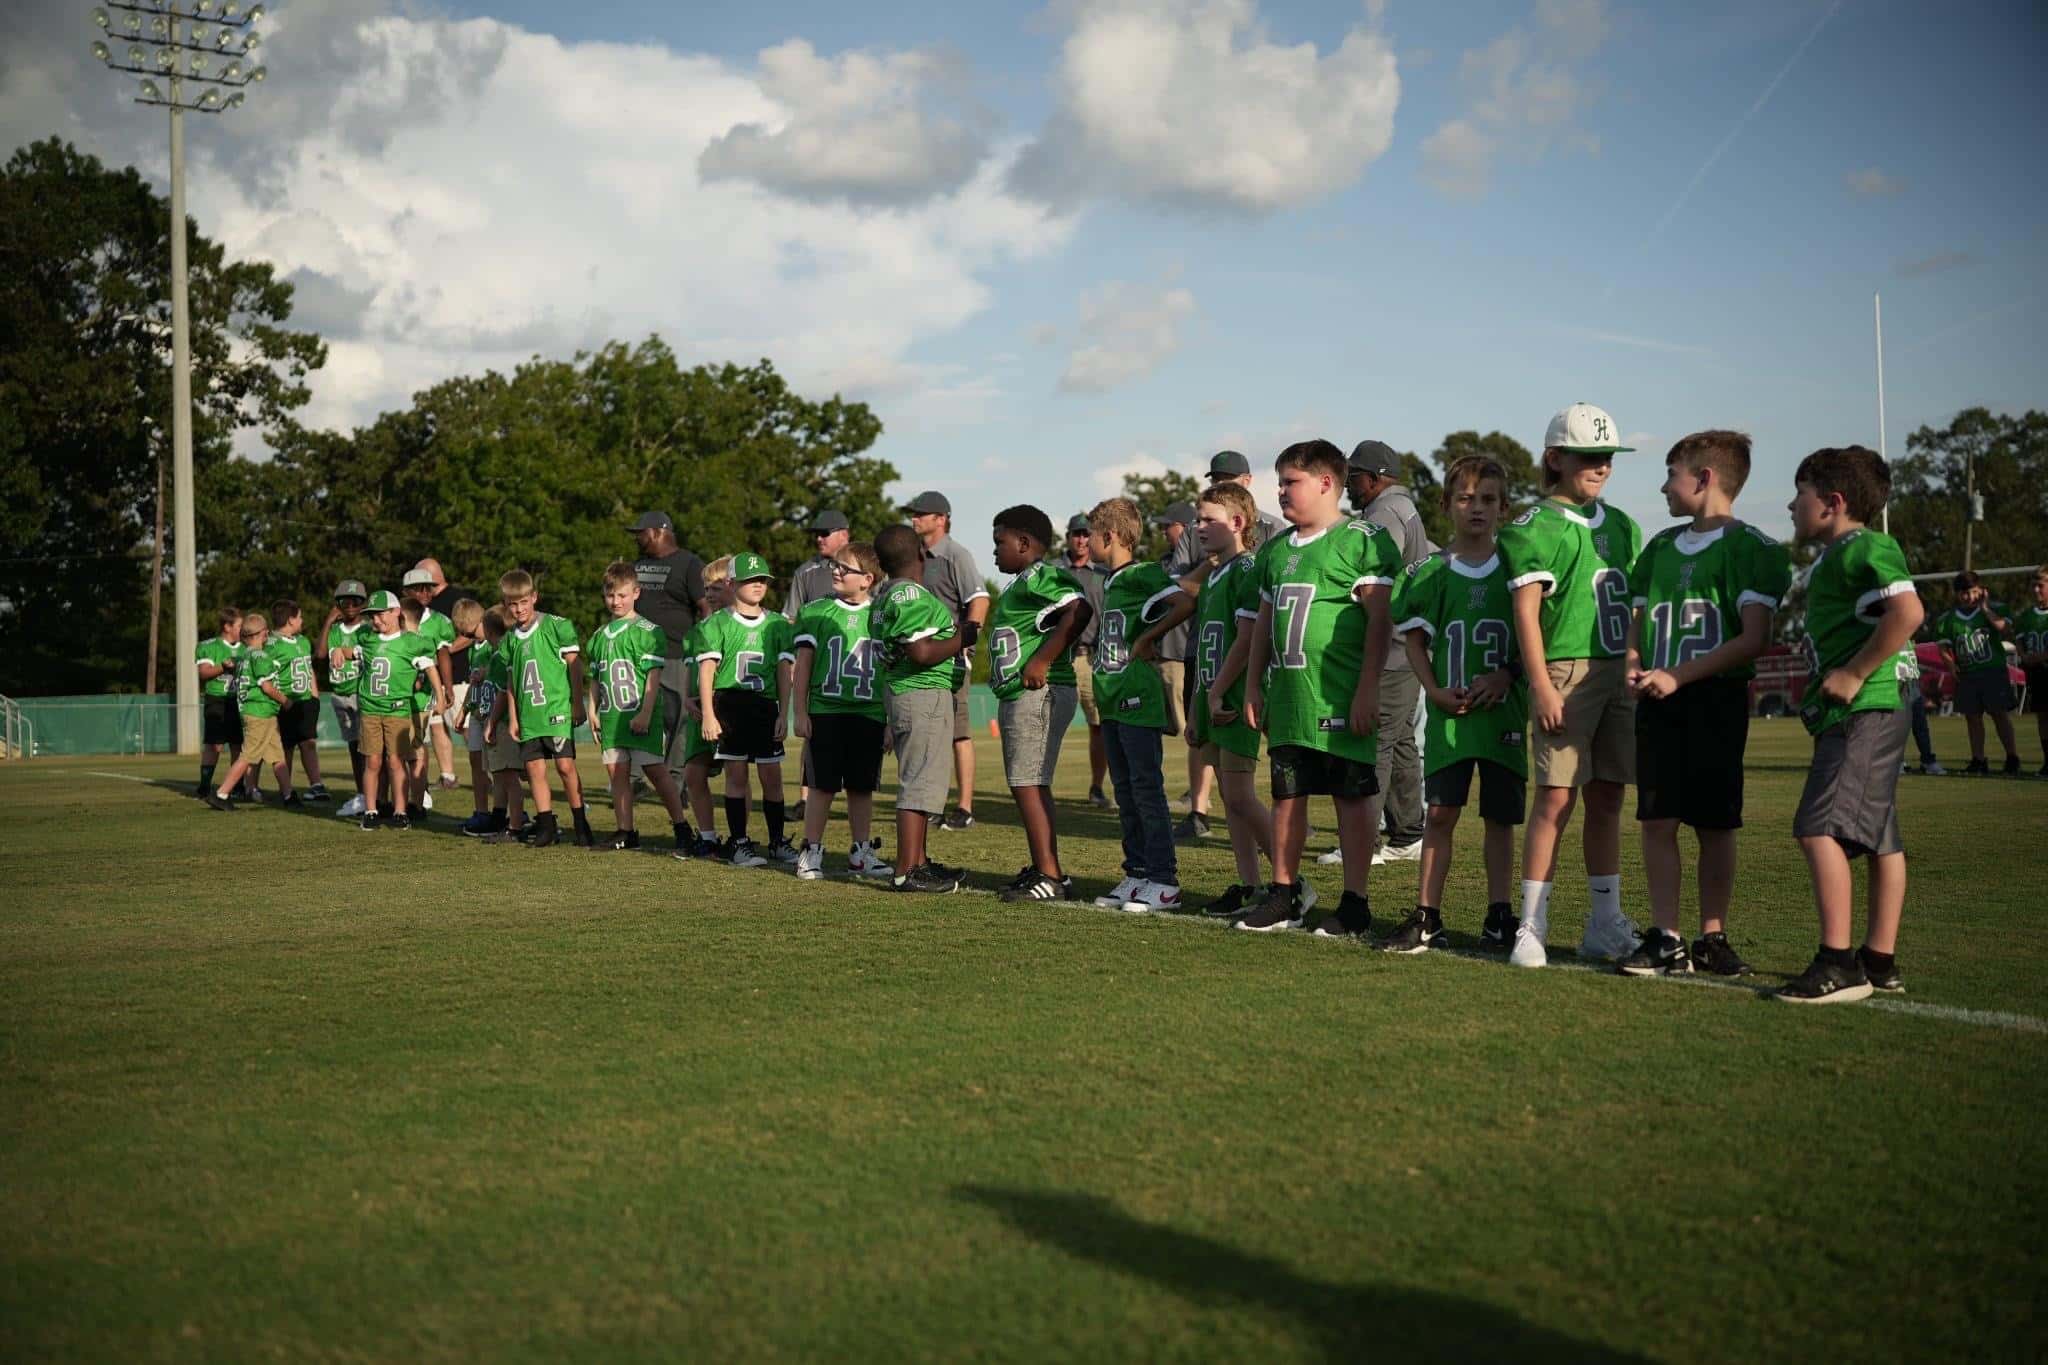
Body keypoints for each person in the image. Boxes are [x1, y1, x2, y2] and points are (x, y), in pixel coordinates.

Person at [1618, 431, 1791, 978]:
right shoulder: (1660, 547)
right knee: (1657, 818)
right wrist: (1633, 663)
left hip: (1715, 698)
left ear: (1705, 477)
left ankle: (1712, 937)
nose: (1664, 487)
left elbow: (1754, 637)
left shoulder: (1754, 548)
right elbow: (1638, 619)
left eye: (1672, 474)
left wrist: (1679, 675)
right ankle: (1665, 937)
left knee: (1715, 823)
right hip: (1659, 699)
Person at [1496, 402, 1645, 969]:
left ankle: (1605, 921)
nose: (1601, 465)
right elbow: (1526, 613)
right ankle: (1531, 923)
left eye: (1607, 456)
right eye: (1588, 456)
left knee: (1609, 796)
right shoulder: (1534, 526)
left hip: (1617, 669)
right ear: (1555, 458)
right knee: (1555, 797)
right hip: (1564, 670)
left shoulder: (1624, 525)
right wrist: (1540, 684)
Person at [1238, 440, 1403, 935]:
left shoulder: (1362, 539)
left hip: (1339, 694)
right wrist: (1253, 686)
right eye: (1280, 482)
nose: (1281, 491)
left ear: (1326, 482)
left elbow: (1380, 621)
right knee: (1287, 795)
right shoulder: (1275, 550)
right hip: (1290, 695)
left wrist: (1368, 688)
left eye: (1291, 481)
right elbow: (1262, 625)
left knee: (1350, 798)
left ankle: (1355, 903)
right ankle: (1284, 893)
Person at [1779, 446, 1923, 1004]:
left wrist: (1856, 672)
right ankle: (1879, 960)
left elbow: (1908, 612)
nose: (1792, 505)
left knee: (1816, 828)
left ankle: (1838, 964)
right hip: (1867, 711)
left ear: (1833, 502)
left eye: (1800, 493)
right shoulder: (1836, 555)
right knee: (1881, 835)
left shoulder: (1865, 546)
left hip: (1868, 709)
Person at [1379, 456, 1525, 954]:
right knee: (1440, 814)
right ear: (1446, 505)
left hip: (1503, 710)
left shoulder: (1517, 567)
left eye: (1487, 499)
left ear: (1504, 507)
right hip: (1451, 713)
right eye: (1465, 498)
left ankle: (1499, 914)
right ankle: (1427, 915)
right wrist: (1435, 690)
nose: (1476, 508)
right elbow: (1416, 643)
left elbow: (1536, 635)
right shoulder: (1429, 571)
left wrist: (1507, 674)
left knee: (1500, 819)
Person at [1335, 438, 1434, 867]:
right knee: (1401, 742)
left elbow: (1376, 579)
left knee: (1373, 741)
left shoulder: (1384, 513)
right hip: (1404, 645)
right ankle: (1409, 833)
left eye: (1353, 477)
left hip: (1390, 647)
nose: (1347, 485)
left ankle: (1365, 842)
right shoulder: (1402, 506)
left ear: (1375, 478)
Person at [1084, 496, 1185, 914]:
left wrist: (1147, 638)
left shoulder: (1142, 573)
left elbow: (1185, 602)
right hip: (1111, 697)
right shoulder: (1110, 580)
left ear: (1109, 536)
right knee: (1124, 791)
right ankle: (1138, 872)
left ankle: (1164, 880)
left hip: (1137, 696)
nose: (1085, 542)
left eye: (1090, 534)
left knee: (1145, 789)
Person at [987, 505, 1092, 903]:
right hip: (1021, 695)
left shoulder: (1041, 575)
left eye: (999, 542)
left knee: (1028, 782)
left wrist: (1043, 659)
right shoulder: (1020, 583)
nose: (994, 551)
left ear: (1024, 543)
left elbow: (1079, 608)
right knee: (1027, 782)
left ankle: (1051, 875)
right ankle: (1044, 867)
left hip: (1039, 692)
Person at [1176, 482, 1272, 918]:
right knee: (1233, 802)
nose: (1197, 527)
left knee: (1241, 796)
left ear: (1237, 522)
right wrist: (1198, 707)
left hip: (1233, 698)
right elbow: (1207, 648)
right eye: (1197, 519)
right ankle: (1250, 884)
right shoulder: (1214, 574)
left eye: (1207, 520)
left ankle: (1290, 882)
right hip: (1213, 701)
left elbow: (1247, 639)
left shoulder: (1247, 568)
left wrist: (1216, 693)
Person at [870, 523, 968, 892]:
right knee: (918, 782)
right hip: (921, 693)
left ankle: (919, 862)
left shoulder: (885, 595)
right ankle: (907, 870)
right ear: (920, 555)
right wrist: (962, 636)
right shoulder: (909, 594)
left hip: (907, 692)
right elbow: (922, 652)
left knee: (922, 782)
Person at [790, 541, 894, 881]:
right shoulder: (816, 611)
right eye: (835, 565)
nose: (835, 571)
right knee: (821, 786)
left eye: (844, 568)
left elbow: (890, 671)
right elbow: (803, 666)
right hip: (826, 710)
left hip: (870, 712)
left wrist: (890, 720)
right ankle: (811, 849)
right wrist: (800, 711)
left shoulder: (882, 615)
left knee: (862, 787)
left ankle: (861, 851)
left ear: (867, 579)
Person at [583, 561, 695, 853]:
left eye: (622, 595)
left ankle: (682, 827)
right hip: (612, 716)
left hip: (639, 714)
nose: (615, 601)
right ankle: (625, 831)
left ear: (636, 593)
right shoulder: (599, 636)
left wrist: (645, 713)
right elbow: (595, 677)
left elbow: (653, 679)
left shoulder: (648, 631)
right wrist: (592, 710)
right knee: (617, 774)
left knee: (656, 771)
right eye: (610, 595)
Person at [695, 552, 797, 867]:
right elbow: (707, 671)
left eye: (762, 580)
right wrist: (709, 714)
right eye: (750, 579)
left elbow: (783, 672)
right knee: (736, 776)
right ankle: (739, 843)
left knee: (772, 777)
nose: (757, 585)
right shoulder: (718, 622)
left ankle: (777, 840)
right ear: (731, 583)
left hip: (765, 705)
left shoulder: (777, 623)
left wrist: (784, 713)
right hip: (731, 703)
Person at [901, 490, 990, 831]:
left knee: (958, 733)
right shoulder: (913, 556)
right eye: (913, 513)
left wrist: (965, 643)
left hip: (950, 658)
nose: (914, 518)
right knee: (929, 733)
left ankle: (964, 807)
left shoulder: (956, 554)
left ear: (941, 519)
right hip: (919, 658)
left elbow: (979, 600)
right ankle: (930, 804)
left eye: (920, 513)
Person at [489, 569, 593, 848]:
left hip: (555, 709)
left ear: (534, 597)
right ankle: (546, 825)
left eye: (524, 602)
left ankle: (581, 823)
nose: (519, 609)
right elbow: (511, 681)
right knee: (534, 770)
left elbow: (574, 665)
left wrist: (576, 703)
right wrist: (513, 717)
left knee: (565, 766)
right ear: (506, 604)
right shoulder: (510, 639)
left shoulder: (555, 626)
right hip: (529, 715)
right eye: (513, 604)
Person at [626, 510, 710, 785]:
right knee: (636, 714)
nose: (637, 538)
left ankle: (676, 782)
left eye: (641, 533)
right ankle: (633, 779)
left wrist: (704, 649)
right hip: (638, 655)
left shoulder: (689, 564)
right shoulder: (637, 565)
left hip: (676, 654)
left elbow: (705, 608)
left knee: (678, 719)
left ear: (657, 532)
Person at [353, 591, 446, 832]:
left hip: (397, 710)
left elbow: (431, 668)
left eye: (381, 614)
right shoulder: (368, 638)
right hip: (370, 709)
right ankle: (371, 810)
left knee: (396, 761)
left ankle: (400, 810)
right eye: (372, 616)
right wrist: (336, 653)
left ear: (396, 612)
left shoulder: (412, 642)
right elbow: (348, 651)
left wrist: (440, 695)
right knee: (372, 761)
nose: (376, 620)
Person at [1150, 500, 1206, 841]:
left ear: (1184, 528)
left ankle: (1199, 798)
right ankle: (1196, 794)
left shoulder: (1202, 564)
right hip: (1168, 654)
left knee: (1193, 731)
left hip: (1184, 655)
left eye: (1167, 526)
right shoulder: (1166, 562)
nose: (1163, 532)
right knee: (1187, 731)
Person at [1933, 570, 2022, 775]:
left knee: (1999, 714)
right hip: (1967, 673)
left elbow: (2005, 629)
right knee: (1972, 717)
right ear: (1957, 594)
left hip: (1992, 671)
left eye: (1974, 591)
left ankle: (2012, 757)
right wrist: (1951, 666)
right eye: (1964, 593)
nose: (1970, 597)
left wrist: (1985, 608)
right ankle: (1978, 759)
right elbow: (1943, 648)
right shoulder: (1947, 619)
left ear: (1981, 590)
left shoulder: (1995, 609)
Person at [201, 612, 286, 810]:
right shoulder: (259, 656)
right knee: (247, 756)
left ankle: (289, 794)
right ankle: (221, 793)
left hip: (254, 711)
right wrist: (286, 700)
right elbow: (267, 687)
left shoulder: (243, 657)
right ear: (264, 634)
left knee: (277, 755)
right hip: (259, 711)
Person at [1062, 512, 1113, 807]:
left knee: (1098, 724)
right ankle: (1038, 786)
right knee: (1046, 723)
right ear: (1068, 537)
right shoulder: (1054, 571)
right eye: (1076, 534)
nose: (1081, 539)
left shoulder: (1103, 573)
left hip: (1092, 658)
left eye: (1086, 534)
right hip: (1059, 657)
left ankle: (1097, 787)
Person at [402, 567, 462, 791]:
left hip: (424, 691)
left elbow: (443, 655)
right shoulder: (392, 617)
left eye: (428, 588)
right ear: (406, 592)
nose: (425, 593)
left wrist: (447, 688)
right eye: (419, 589)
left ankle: (421, 789)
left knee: (418, 741)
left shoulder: (439, 621)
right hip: (396, 690)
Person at [316, 581, 370, 817]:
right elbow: (320, 653)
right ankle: (361, 794)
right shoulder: (336, 630)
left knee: (367, 747)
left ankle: (373, 795)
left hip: (361, 692)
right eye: (344, 601)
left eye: (355, 601)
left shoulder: (367, 629)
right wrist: (328, 621)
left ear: (363, 604)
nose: (350, 605)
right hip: (340, 694)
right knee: (353, 747)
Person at [267, 598, 325, 805]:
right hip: (285, 702)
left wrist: (314, 696)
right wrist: (280, 701)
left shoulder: (302, 641)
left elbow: (309, 669)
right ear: (290, 620)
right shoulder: (271, 644)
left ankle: (316, 784)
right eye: (299, 617)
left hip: (305, 701)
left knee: (309, 743)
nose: (302, 620)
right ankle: (287, 788)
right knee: (287, 747)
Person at [195, 605, 248, 801]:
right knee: (214, 745)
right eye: (239, 625)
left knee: (237, 745)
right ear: (227, 626)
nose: (242, 629)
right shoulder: (209, 646)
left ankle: (237, 786)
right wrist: (223, 667)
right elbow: (203, 673)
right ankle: (204, 786)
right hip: (216, 699)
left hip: (238, 700)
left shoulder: (245, 648)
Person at [1206, 449, 1289, 542]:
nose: (1220, 483)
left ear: (1246, 480)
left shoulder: (1271, 527)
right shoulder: (1197, 527)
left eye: (1227, 478)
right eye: (1216, 478)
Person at [2013, 566, 2048, 775]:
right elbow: (2019, 639)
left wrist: (2041, 656)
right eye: (2034, 585)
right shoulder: (2026, 616)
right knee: (2042, 717)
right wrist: (2024, 655)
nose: (2036, 590)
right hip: (2037, 674)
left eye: (2040, 585)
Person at [785, 510, 850, 621]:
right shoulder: (804, 573)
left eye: (824, 533)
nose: (818, 539)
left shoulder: (867, 565)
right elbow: (791, 619)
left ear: (843, 535)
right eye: (816, 534)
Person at [1895, 645, 1944, 776]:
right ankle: (1897, 762)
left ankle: (1928, 761)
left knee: (1921, 727)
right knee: (1899, 728)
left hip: (1913, 686)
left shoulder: (1908, 642)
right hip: (1898, 685)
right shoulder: (1890, 637)